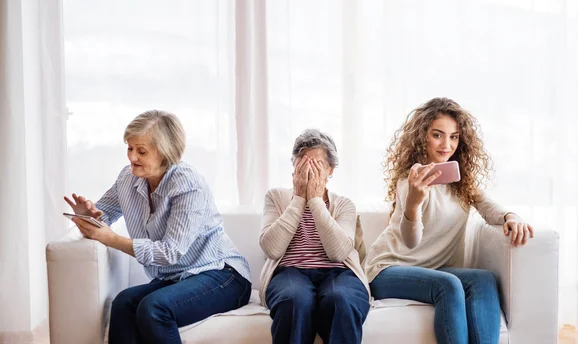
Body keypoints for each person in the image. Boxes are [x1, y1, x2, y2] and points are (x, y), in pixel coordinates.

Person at [64, 110, 251, 344]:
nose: (132, 157)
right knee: (123, 304)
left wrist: (112, 239)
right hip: (176, 279)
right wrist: (87, 217)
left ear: (165, 153)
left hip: (222, 276)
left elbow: (170, 252)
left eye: (141, 151)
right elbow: (104, 215)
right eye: (130, 148)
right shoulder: (128, 178)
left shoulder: (188, 184)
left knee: (154, 309)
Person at [364, 97, 534, 344]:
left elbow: (486, 206)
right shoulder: (410, 182)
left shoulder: (461, 183)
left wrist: (511, 216)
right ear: (422, 136)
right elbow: (411, 242)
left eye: (454, 136)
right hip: (387, 270)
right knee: (449, 285)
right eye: (438, 135)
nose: (447, 144)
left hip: (433, 270)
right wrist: (413, 202)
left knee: (484, 280)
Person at [258, 129, 370, 344]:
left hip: (339, 273)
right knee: (294, 301)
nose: (309, 171)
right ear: (294, 167)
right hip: (290, 271)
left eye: (317, 165)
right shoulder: (276, 197)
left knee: (341, 301)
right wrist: (299, 198)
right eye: (303, 164)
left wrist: (316, 201)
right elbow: (272, 249)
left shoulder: (344, 204)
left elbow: (338, 253)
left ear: (331, 170)